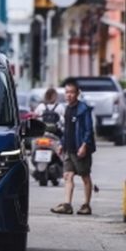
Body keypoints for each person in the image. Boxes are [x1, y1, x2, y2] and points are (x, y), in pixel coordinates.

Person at [50, 80, 96, 215]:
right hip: (69, 149)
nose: (68, 95)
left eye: (71, 92)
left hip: (80, 149)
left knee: (85, 177)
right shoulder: (67, 109)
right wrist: (61, 145)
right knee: (67, 175)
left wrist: (84, 146)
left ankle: (86, 205)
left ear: (77, 93)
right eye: (67, 92)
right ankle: (67, 205)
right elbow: (67, 130)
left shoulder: (83, 109)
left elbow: (88, 130)